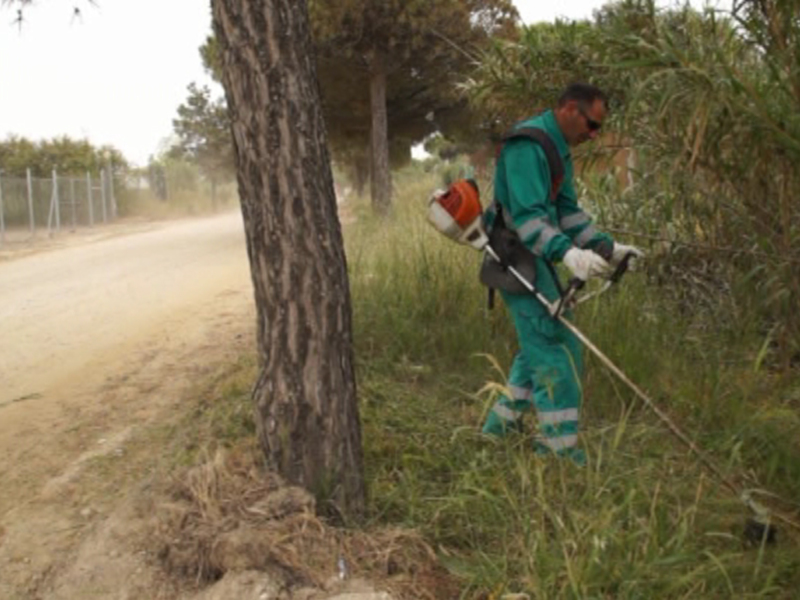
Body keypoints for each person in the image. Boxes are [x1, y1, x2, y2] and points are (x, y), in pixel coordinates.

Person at [481, 82, 643, 465]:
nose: (593, 135)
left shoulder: (556, 148)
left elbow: (567, 213)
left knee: (542, 341)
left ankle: (497, 430)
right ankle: (559, 454)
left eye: (598, 129)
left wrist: (605, 247)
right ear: (570, 108)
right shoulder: (526, 146)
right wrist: (567, 253)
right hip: (515, 258)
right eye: (591, 125)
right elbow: (528, 218)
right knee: (555, 352)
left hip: (536, 256)